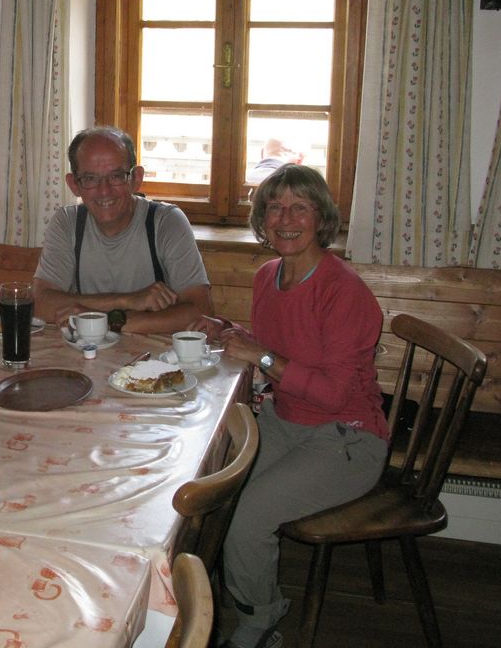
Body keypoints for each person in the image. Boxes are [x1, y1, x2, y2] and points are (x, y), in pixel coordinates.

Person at [193, 164, 387, 648]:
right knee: (211, 492)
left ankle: (259, 620)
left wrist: (259, 354)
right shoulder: (267, 277)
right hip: (286, 419)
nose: (285, 217)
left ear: (321, 218)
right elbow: (279, 350)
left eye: (300, 206)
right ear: (261, 217)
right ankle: (206, 602)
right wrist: (232, 335)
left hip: (347, 437)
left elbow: (334, 394)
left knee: (248, 518)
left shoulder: (345, 293)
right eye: (274, 206)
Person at [33, 125, 212, 335]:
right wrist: (128, 300)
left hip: (156, 362)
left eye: (116, 176)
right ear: (74, 185)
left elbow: (201, 312)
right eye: (90, 179)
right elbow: (40, 304)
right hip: (85, 355)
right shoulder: (67, 222)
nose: (104, 190)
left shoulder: (165, 221)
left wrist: (103, 321)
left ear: (136, 178)